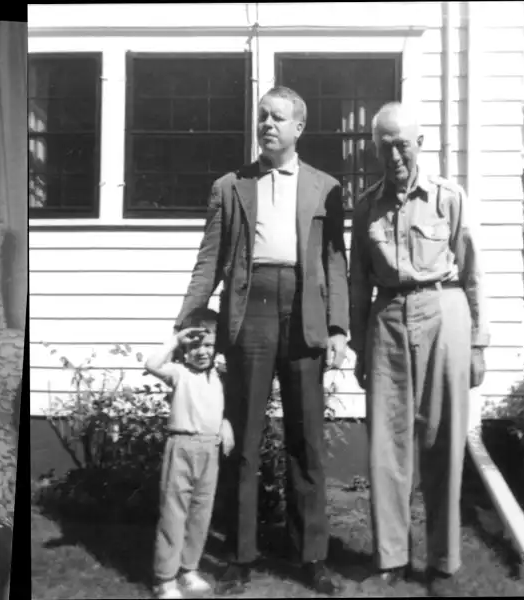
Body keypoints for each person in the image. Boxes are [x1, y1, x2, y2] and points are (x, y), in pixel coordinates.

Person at [174, 86, 349, 596]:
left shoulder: (325, 187)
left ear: (299, 128)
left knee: (306, 440)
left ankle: (311, 555)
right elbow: (209, 259)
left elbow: (335, 262)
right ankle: (240, 554)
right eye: (262, 117)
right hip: (249, 310)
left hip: (304, 312)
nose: (267, 125)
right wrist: (189, 316)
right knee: (243, 438)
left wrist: (338, 327)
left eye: (278, 118)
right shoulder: (230, 186)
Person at [349, 102, 487, 597]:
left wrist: (477, 344)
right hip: (386, 320)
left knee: (444, 440)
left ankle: (444, 564)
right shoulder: (366, 205)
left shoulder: (449, 198)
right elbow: (357, 281)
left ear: (420, 143)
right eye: (384, 145)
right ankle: (390, 560)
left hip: (444, 313)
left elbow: (472, 273)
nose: (394, 154)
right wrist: (362, 350)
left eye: (402, 143)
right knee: (387, 445)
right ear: (374, 149)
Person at [143, 307, 234, 599]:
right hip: (181, 447)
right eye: (195, 345)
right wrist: (176, 339)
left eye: (208, 345)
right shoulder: (178, 373)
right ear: (185, 347)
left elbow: (226, 407)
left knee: (200, 513)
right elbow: (152, 363)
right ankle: (165, 578)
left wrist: (226, 425)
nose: (202, 351)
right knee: (174, 513)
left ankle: (188, 569)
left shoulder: (220, 376)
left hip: (211, 449)